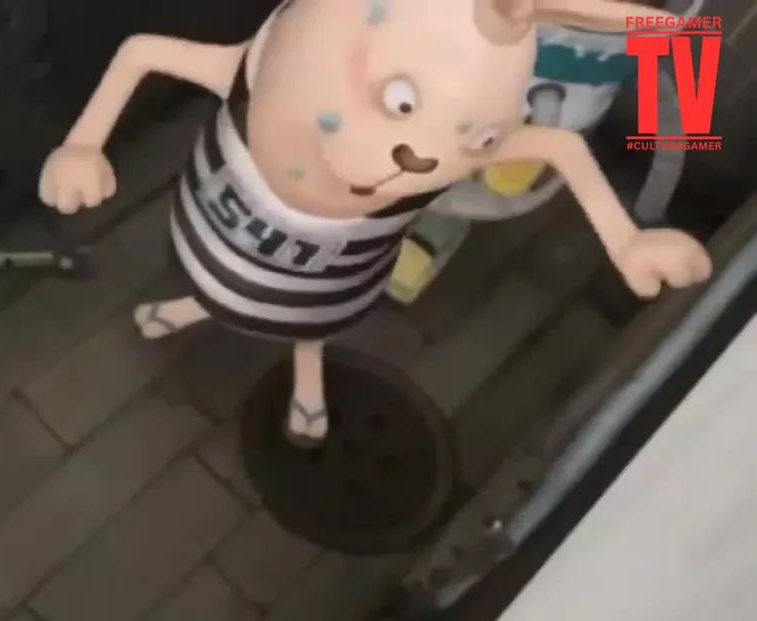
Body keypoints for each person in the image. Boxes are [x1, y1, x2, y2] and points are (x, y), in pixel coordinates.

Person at [38, 0, 711, 447]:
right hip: (217, 231)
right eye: (400, 104)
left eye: (477, 140)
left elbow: (561, 143)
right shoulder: (255, 68)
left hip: (334, 277)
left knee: (311, 321)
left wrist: (627, 239)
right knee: (219, 282)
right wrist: (84, 144)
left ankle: (306, 372)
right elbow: (144, 51)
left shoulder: (468, 108)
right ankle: (199, 306)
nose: (416, 161)